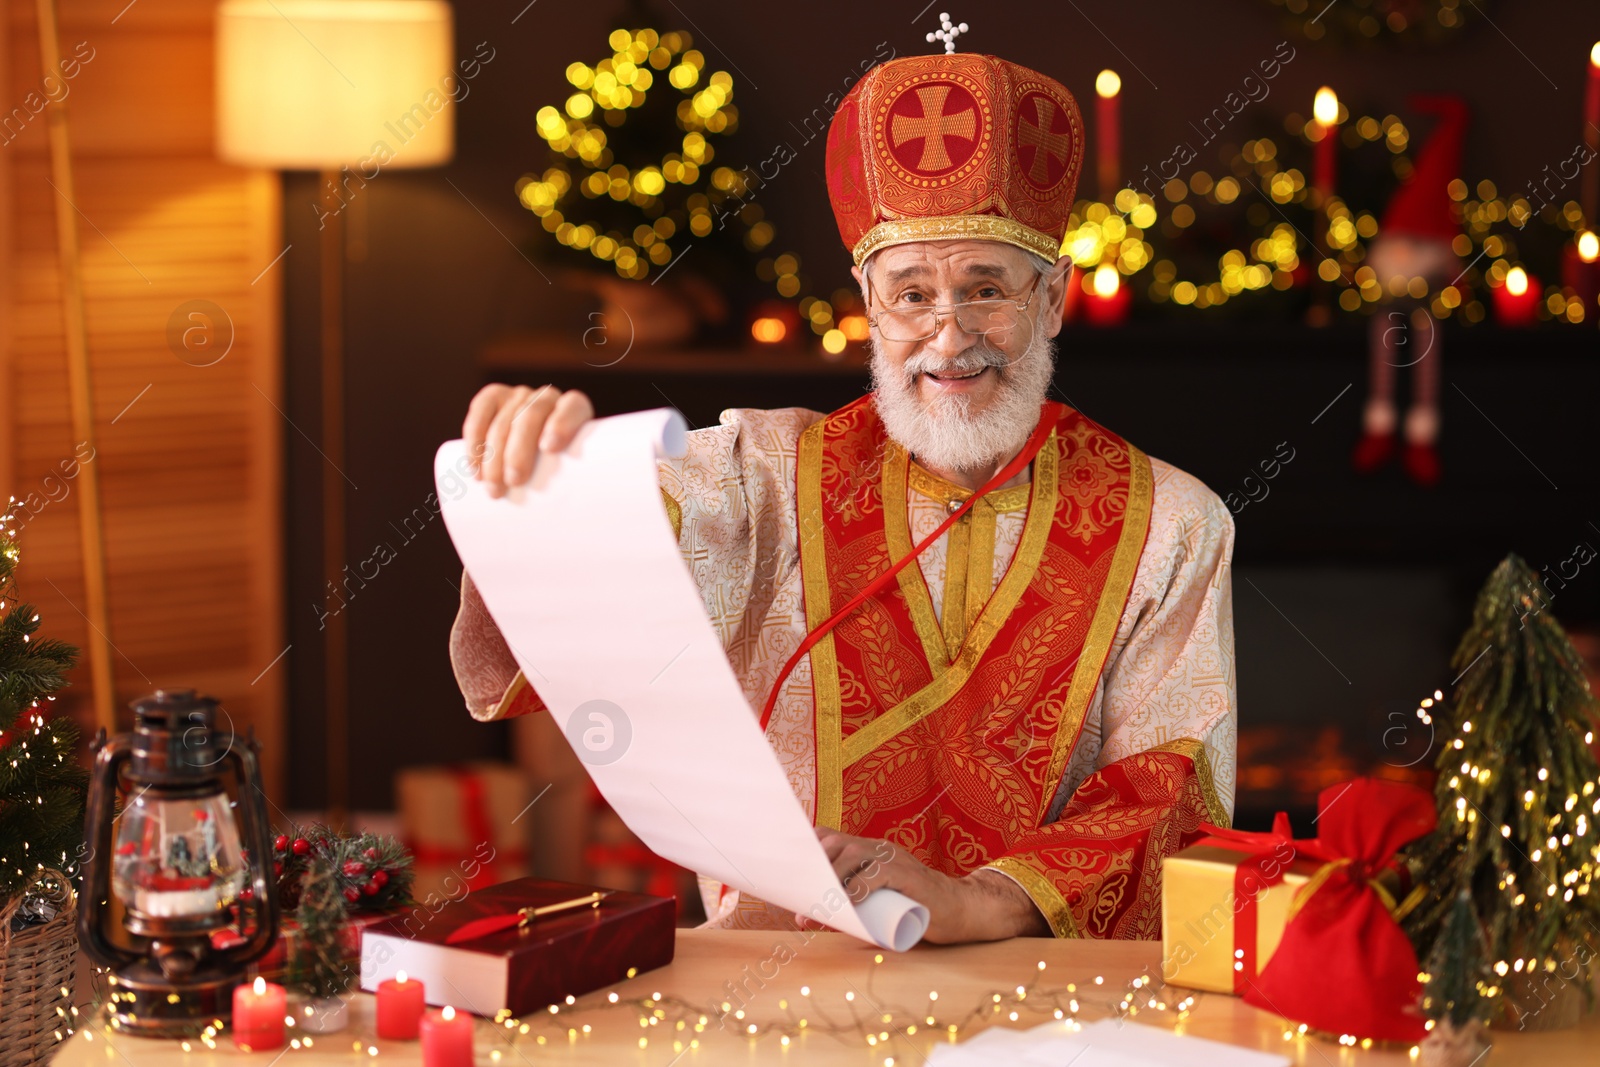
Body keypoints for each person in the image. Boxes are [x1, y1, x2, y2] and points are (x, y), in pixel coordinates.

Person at [449, 51, 1236, 943]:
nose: (949, 336)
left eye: (986, 288)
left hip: (1037, 989)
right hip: (776, 975)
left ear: (1052, 297)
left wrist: (975, 900)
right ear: (868, 301)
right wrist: (548, 470)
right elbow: (604, 547)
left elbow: (1164, 793)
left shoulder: (1174, 520)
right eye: (912, 294)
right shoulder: (762, 473)